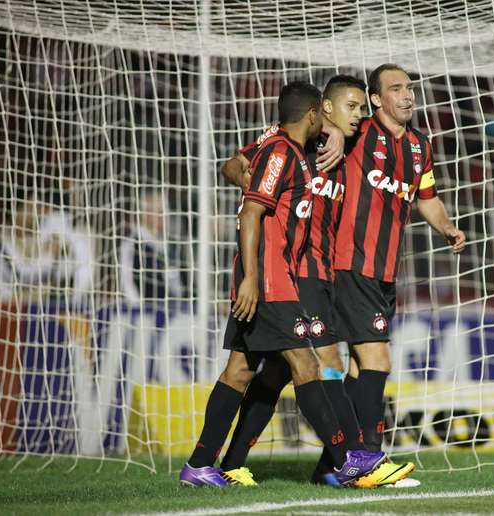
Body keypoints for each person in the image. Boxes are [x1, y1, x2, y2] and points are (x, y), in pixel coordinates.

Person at [179, 81, 385, 487]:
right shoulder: (279, 150)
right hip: (271, 279)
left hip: (273, 275)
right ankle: (346, 460)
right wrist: (253, 279)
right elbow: (252, 212)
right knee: (307, 364)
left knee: (239, 371)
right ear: (315, 113)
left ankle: (200, 465)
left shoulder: (297, 153)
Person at [332, 64, 465, 457]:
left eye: (410, 87)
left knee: (360, 369)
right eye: (396, 88)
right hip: (350, 262)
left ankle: (334, 461)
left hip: (386, 269)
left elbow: (427, 198)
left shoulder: (419, 146)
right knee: (378, 360)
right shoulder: (357, 133)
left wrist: (447, 228)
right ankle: (369, 458)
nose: (408, 95)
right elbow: (326, 123)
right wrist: (335, 131)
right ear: (376, 100)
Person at [118, 188, 187, 305]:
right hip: (148, 314)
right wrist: (140, 310)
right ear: (145, 213)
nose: (165, 216)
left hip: (178, 314)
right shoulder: (133, 243)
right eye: (160, 211)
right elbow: (128, 283)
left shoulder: (171, 245)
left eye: (166, 210)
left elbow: (184, 283)